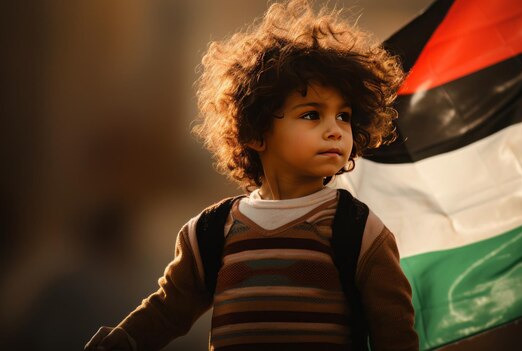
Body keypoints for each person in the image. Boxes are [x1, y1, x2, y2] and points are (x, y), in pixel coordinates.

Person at [84, 0, 418, 350]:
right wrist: (118, 342)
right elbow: (167, 312)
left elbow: (395, 333)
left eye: (344, 116)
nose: (335, 130)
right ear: (255, 133)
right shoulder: (211, 233)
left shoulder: (359, 231)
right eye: (311, 115)